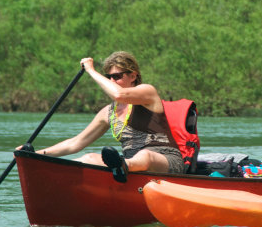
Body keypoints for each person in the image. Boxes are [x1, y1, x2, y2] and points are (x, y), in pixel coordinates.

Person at [19, 51, 185, 183]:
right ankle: (59, 180)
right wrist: (35, 155)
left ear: (133, 76)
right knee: (88, 158)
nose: (112, 80)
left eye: (117, 76)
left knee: (145, 156)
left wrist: (91, 70)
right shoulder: (108, 112)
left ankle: (121, 166)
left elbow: (119, 95)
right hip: (129, 166)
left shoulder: (147, 92)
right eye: (109, 77)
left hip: (166, 161)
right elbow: (76, 143)